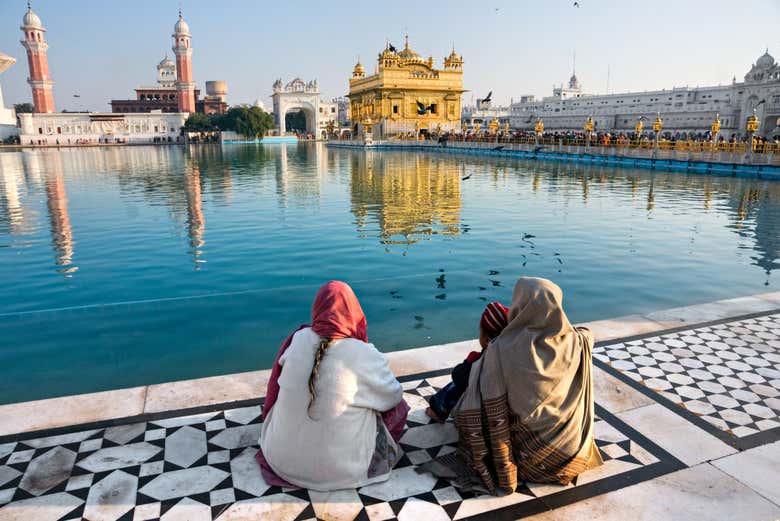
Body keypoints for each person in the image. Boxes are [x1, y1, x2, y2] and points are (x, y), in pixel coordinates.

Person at [419, 277, 603, 494]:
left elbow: (470, 383)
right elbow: (582, 332)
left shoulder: (501, 350)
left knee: (476, 396)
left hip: (527, 461)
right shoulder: (580, 342)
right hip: (572, 454)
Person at [257, 281, 409, 491]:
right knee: (396, 406)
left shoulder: (298, 339)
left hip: (280, 459)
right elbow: (393, 396)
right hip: (345, 471)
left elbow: (276, 387)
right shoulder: (364, 354)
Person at [425, 301, 509, 423]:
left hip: (479, 415)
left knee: (455, 386)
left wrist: (467, 363)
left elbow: (457, 376)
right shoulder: (514, 358)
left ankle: (438, 411)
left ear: (485, 339)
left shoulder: (477, 361)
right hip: (506, 414)